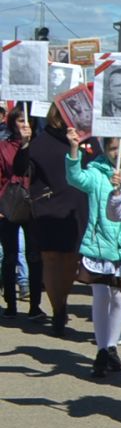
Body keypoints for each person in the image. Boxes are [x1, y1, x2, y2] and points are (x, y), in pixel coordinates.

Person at [64, 132, 121, 379]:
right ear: (105, 149)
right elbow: (75, 178)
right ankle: (102, 349)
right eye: (113, 148)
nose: (118, 153)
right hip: (99, 245)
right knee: (101, 295)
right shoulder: (95, 173)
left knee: (119, 299)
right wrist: (74, 151)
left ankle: (112, 345)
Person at [15, 103, 86, 335]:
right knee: (51, 259)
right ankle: (58, 310)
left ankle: (62, 301)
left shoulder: (87, 138)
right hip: (48, 208)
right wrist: (24, 143)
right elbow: (20, 168)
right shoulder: (40, 141)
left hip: (76, 207)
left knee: (70, 261)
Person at [2, 106, 37, 319]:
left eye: (27, 121)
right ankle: (11, 304)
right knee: (10, 256)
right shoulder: (3, 146)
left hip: (33, 206)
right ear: (12, 123)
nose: (24, 125)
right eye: (19, 120)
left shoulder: (38, 146)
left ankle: (35, 305)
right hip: (8, 205)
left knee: (34, 256)